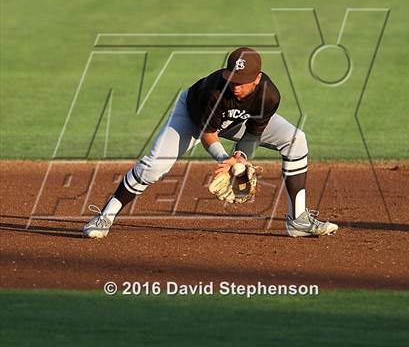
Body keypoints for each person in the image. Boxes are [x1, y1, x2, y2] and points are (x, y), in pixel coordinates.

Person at [83, 47, 338, 238]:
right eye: (232, 79)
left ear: (257, 78)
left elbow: (253, 132)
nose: (235, 86)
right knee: (155, 166)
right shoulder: (215, 89)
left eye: (242, 82)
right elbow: (208, 134)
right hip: (193, 118)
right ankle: (105, 216)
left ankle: (299, 220)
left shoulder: (269, 96)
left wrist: (239, 159)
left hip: (237, 122)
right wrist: (223, 159)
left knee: (296, 140)